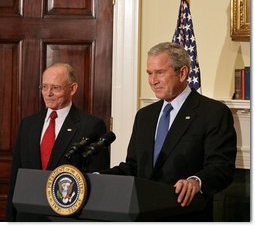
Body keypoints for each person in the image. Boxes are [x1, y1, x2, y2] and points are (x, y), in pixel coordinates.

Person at [100, 42, 237, 221]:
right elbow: (133, 167)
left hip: (185, 215)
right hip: (143, 216)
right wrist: (96, 178)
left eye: (160, 72)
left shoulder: (213, 113)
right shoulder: (145, 116)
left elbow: (221, 167)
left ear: (182, 73)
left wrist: (195, 181)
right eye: (149, 73)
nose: (153, 80)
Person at [6, 62, 110, 222]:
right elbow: (16, 178)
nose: (48, 93)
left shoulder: (91, 126)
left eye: (55, 88)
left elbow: (97, 183)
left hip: (67, 217)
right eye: (44, 87)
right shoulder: (28, 124)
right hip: (27, 217)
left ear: (73, 88)